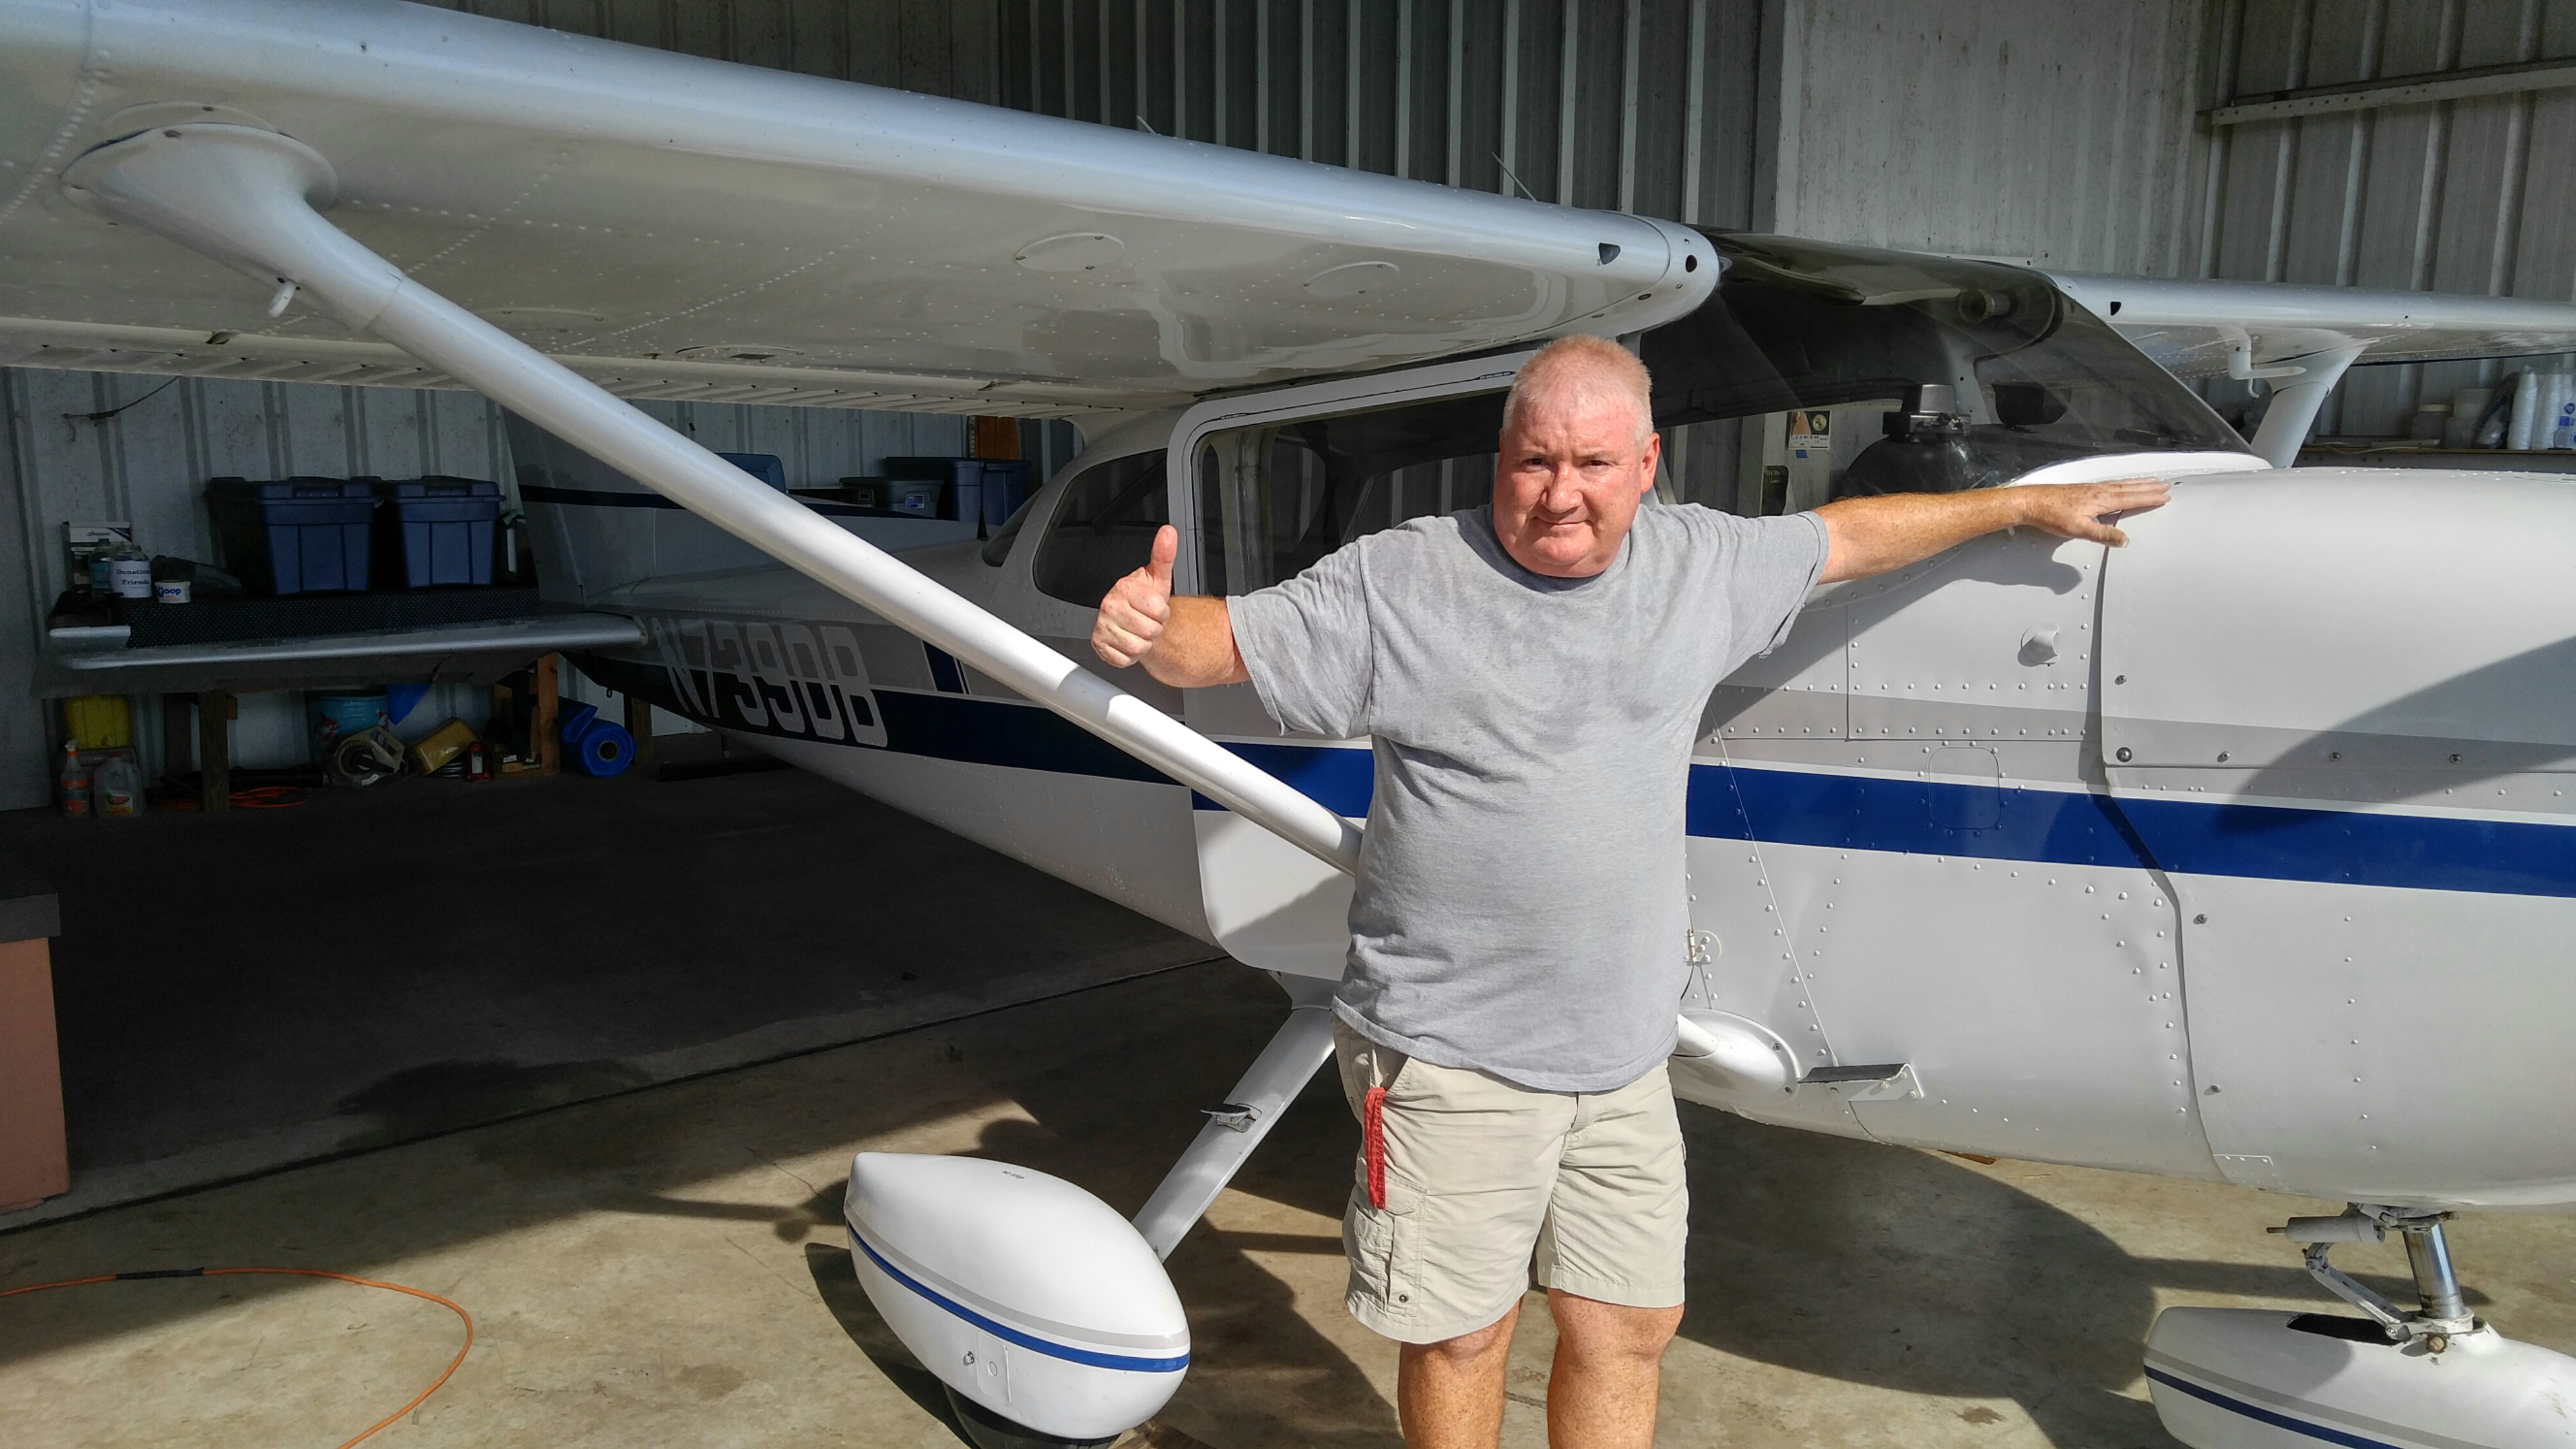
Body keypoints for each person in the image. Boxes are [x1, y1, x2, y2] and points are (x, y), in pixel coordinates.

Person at [1091, 335, 2168, 1449]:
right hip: (1449, 1052)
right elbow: (1227, 641)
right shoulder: (1406, 577)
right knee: (1462, 1335)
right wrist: (1153, 626)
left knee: (1632, 1325)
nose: (1560, 494)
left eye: (1593, 465)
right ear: (1498, 459)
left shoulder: (1699, 566)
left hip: (1621, 1057)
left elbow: (1846, 535)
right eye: (1533, 462)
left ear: (1647, 464)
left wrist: (2014, 509)